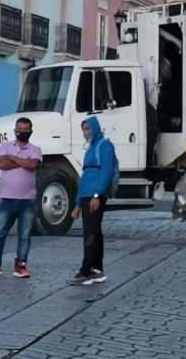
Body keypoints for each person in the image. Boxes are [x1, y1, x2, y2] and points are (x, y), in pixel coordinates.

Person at [0, 117, 42, 279]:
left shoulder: (35, 149)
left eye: (25, 130)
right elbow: (2, 164)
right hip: (6, 198)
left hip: (26, 200)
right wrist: (22, 160)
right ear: (15, 130)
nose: (22, 132)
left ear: (30, 131)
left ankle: (21, 265)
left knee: (24, 235)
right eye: (19, 129)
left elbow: (33, 165)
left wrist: (12, 157)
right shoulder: (5, 146)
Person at [67, 117, 115, 286]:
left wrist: (96, 195)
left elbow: (106, 173)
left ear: (95, 128)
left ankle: (85, 271)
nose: (86, 132)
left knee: (90, 232)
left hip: (95, 195)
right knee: (94, 231)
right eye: (84, 129)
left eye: (88, 128)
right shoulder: (91, 149)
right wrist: (78, 202)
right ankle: (96, 268)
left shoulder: (105, 146)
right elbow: (85, 177)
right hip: (87, 194)